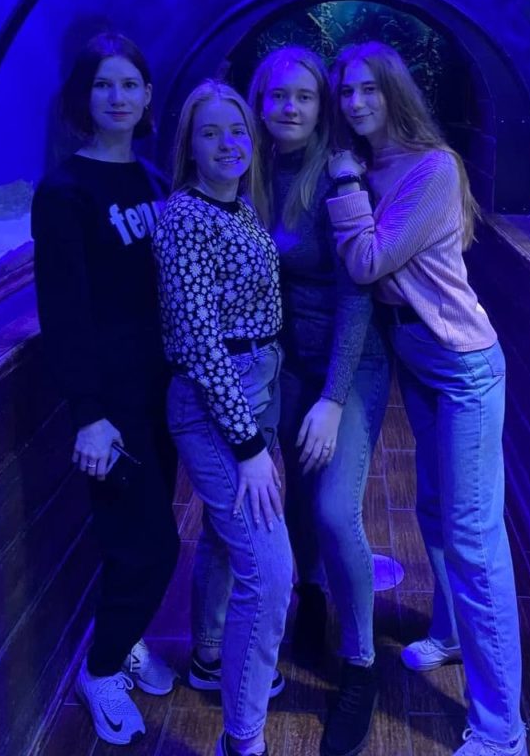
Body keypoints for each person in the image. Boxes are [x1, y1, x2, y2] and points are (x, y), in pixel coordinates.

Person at [326, 42, 526, 756]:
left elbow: (367, 261)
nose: (355, 103)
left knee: (473, 538)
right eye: (345, 91)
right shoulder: (370, 162)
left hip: (462, 364)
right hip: (416, 354)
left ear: (395, 92)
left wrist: (344, 182)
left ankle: (502, 732)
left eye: (369, 90)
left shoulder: (433, 167)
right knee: (435, 512)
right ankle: (449, 634)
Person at [31, 32, 180, 747]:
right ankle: (100, 669)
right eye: (102, 84)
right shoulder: (64, 192)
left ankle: (126, 638)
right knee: (151, 546)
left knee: (137, 538)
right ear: (81, 98)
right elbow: (64, 312)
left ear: (148, 96)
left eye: (129, 84)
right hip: (111, 405)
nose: (117, 97)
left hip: (161, 393)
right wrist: (87, 413)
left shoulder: (154, 181)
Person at [247, 47, 390, 756]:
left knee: (335, 508)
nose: (290, 108)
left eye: (304, 96)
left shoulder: (338, 174)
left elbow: (356, 294)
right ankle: (309, 599)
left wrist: (332, 400)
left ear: (321, 106)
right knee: (295, 499)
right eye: (278, 96)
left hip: (348, 363)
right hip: (284, 364)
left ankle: (361, 665)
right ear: (260, 102)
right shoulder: (249, 170)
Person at [152, 80, 292, 756]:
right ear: (189, 145)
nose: (228, 142)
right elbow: (200, 341)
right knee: (269, 573)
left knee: (222, 537)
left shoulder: (238, 206)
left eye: (236, 129)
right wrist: (248, 446)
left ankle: (210, 655)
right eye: (210, 132)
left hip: (257, 387)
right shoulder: (185, 216)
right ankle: (243, 740)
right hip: (217, 404)